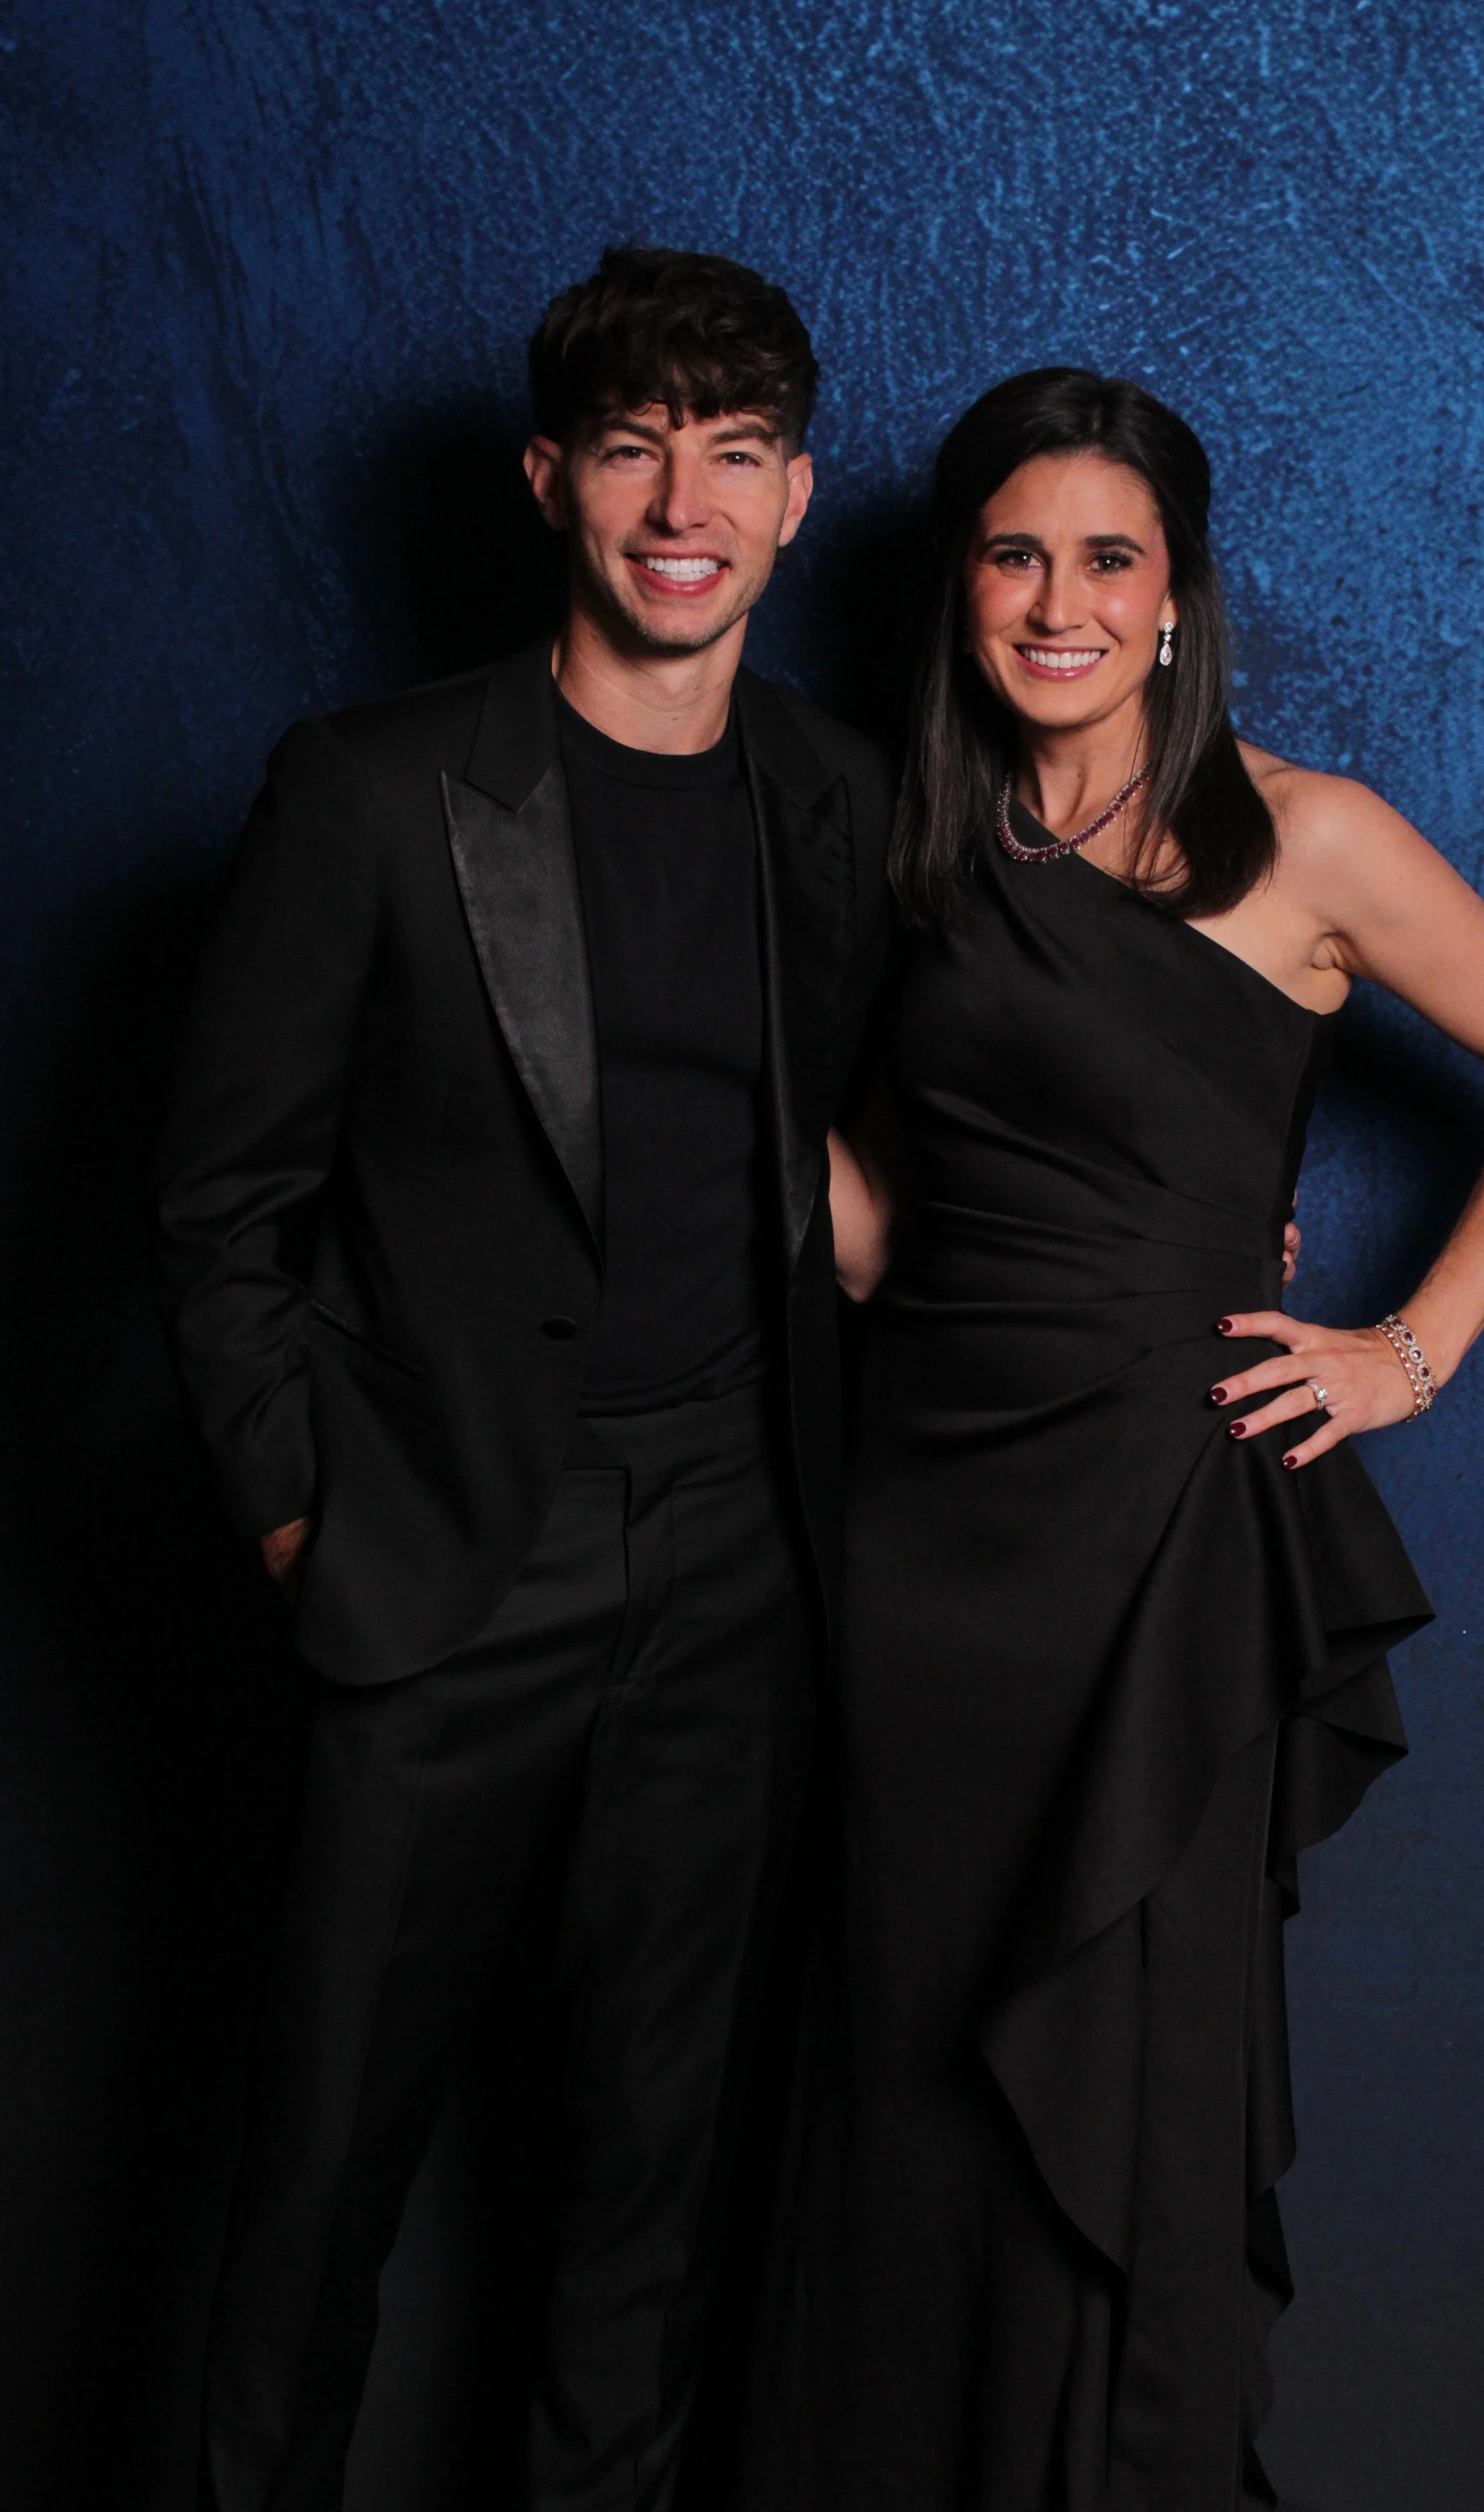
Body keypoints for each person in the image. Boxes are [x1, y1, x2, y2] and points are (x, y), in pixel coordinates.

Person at [743, 368, 1484, 2511]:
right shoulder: (912, 844)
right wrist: (691, 1094)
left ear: (1173, 602)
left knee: (1131, 2058)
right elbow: (872, 1226)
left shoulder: (1301, 833)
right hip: (916, 1540)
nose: (1056, 598)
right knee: (898, 2062)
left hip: (1155, 1547)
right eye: (1013, 552)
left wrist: (1404, 1351)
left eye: (1105, 558)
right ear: (963, 588)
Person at [153, 246, 892, 2512]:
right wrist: (310, 1519)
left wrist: (1195, 1221)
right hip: (448, 1546)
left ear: (791, 498)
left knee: (644, 2187)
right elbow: (215, 1211)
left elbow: (988, 1097)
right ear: (551, 476)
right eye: (640, 443)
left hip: (742, 1557)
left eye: (737, 451)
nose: (687, 497)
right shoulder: (376, 791)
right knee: (316, 2183)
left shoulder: (835, 799)